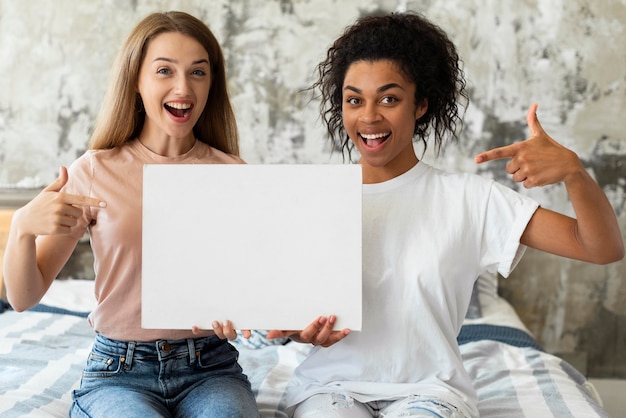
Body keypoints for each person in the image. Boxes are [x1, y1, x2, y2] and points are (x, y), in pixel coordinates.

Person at [267, 11, 624, 418]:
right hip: (329, 389)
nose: (368, 117)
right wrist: (299, 329)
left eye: (389, 98)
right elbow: (292, 312)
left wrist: (574, 173)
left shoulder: (469, 199)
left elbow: (601, 247)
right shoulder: (312, 199)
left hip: (429, 393)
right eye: (354, 100)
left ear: (420, 104)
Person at [3, 11, 259, 418]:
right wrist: (20, 230)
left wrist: (245, 314)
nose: (183, 87)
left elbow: (255, 287)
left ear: (213, 82)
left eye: (198, 72)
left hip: (211, 368)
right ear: (135, 81)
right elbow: (23, 298)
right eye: (164, 71)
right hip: (118, 371)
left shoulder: (235, 176)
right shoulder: (94, 171)